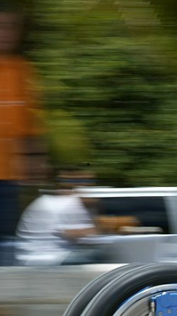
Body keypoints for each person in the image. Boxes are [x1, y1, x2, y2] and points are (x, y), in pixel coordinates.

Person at [0, 2, 46, 246]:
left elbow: (32, 127)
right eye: (2, 26)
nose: (7, 33)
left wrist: (36, 164)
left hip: (9, 182)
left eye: (12, 27)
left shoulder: (23, 71)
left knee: (7, 246)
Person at [15, 169, 104, 266]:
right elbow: (76, 234)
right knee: (101, 254)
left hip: (30, 257)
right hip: (51, 258)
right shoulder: (69, 202)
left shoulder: (45, 200)